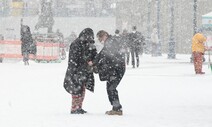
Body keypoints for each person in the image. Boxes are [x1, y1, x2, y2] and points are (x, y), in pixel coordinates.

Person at [63, 28, 97, 114]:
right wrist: (85, 61)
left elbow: (93, 54)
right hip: (76, 70)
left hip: (84, 70)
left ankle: (79, 107)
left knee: (82, 89)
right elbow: (74, 58)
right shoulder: (76, 44)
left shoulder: (89, 43)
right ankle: (74, 108)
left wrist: (93, 61)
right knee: (76, 90)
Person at [94, 30, 125, 115]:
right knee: (110, 88)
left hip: (116, 69)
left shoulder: (110, 42)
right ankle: (116, 107)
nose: (101, 41)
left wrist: (97, 64)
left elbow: (108, 56)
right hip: (115, 68)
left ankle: (117, 109)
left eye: (100, 39)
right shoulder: (110, 42)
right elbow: (102, 54)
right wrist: (96, 63)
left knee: (111, 88)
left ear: (104, 35)